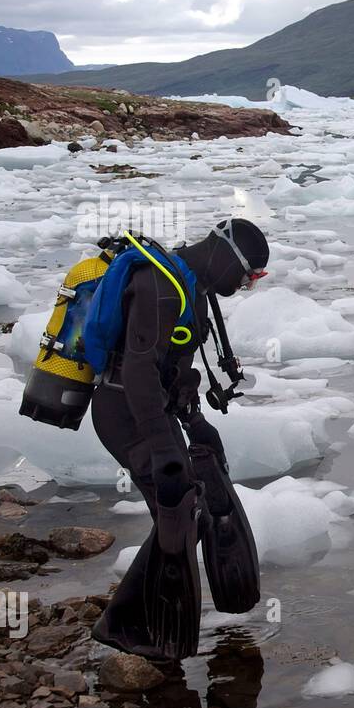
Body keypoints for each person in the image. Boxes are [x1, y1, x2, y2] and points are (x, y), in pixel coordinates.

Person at [91, 218, 269, 661]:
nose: (246, 286)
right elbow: (137, 372)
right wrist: (163, 446)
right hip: (123, 411)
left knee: (193, 517)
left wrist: (194, 422)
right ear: (228, 256)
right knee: (182, 514)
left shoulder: (193, 289)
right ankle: (122, 624)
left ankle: (137, 618)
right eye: (249, 276)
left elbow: (174, 371)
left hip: (151, 410)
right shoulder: (162, 287)